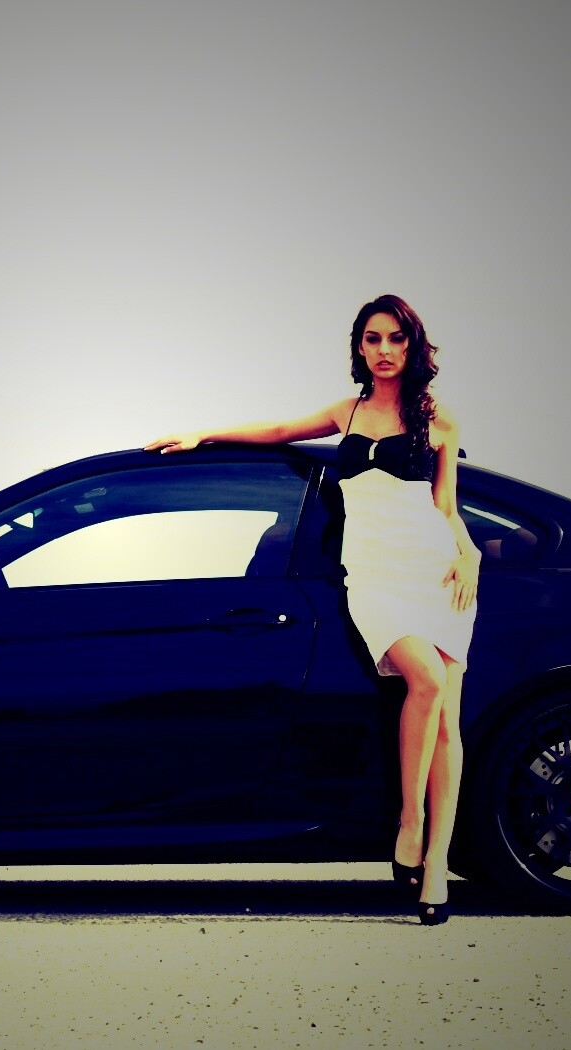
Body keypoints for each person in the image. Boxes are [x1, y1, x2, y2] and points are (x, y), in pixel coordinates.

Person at [144, 293, 479, 925]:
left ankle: (435, 862)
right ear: (359, 347)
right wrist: (204, 434)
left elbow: (445, 507)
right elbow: (277, 432)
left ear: (413, 346)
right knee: (427, 681)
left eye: (396, 338)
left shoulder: (439, 419)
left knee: (446, 722)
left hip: (435, 570)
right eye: (373, 338)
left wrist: (469, 556)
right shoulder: (345, 412)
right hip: (375, 575)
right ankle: (409, 821)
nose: (384, 350)